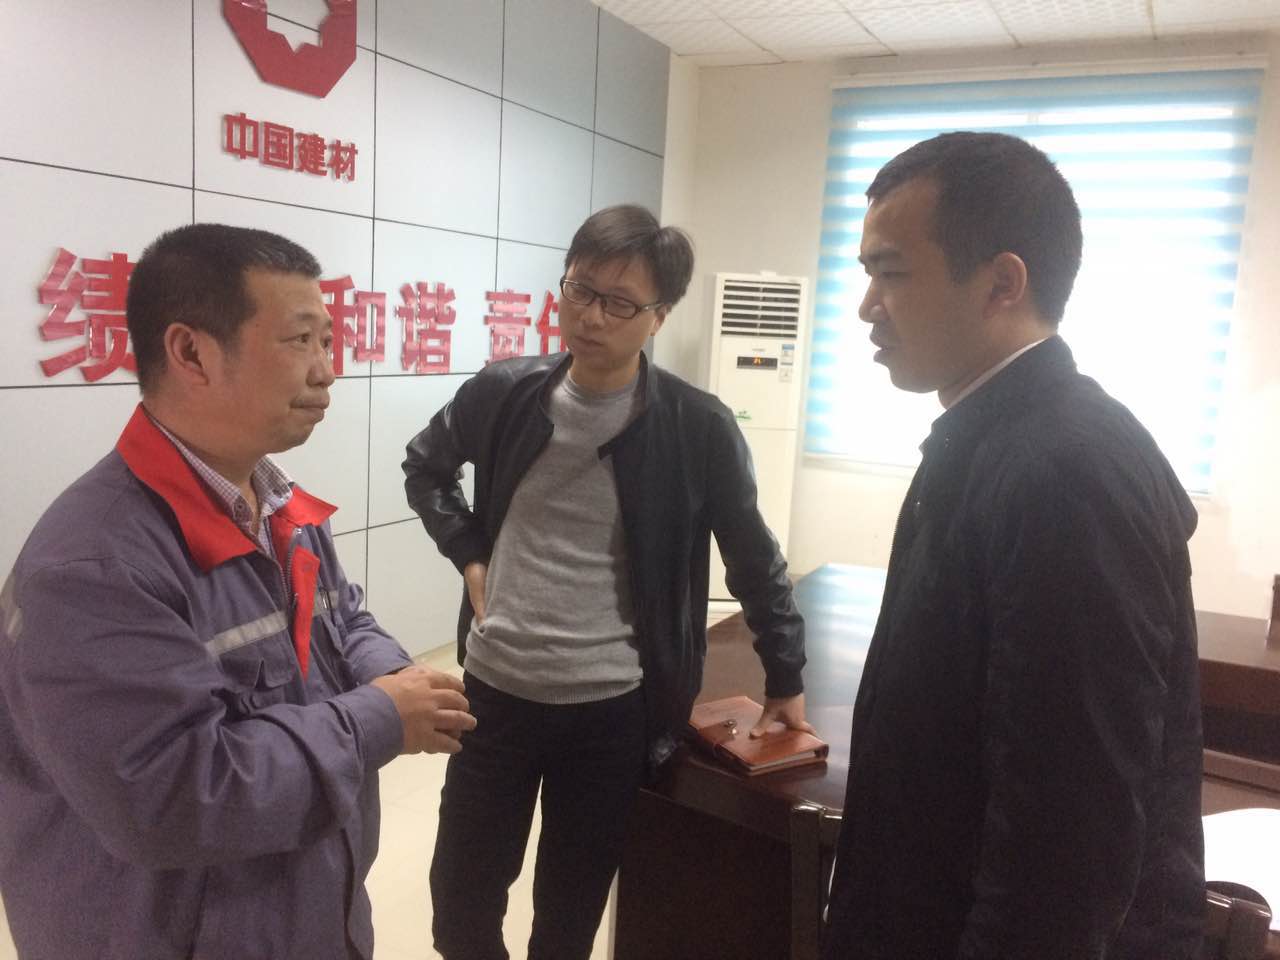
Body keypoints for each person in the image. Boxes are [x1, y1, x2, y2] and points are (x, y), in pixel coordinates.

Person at [0, 223, 476, 960]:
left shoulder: (275, 501)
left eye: (329, 341)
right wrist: (381, 717)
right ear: (190, 352)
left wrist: (395, 675)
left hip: (304, 914)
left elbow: (341, 617)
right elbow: (174, 794)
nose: (327, 370)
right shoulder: (93, 568)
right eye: (300, 341)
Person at [821, 131, 1204, 958]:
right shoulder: (994, 436)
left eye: (891, 273)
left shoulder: (1066, 470)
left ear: (1002, 283)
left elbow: (1065, 840)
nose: (866, 306)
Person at [403, 204, 810, 960]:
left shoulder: (698, 426)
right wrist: (469, 551)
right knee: (459, 911)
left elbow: (753, 555)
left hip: (611, 710)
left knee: (567, 921)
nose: (591, 317)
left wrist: (785, 672)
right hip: (494, 694)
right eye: (580, 290)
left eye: (619, 303)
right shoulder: (503, 392)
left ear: (660, 316)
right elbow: (425, 467)